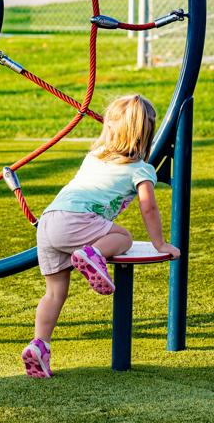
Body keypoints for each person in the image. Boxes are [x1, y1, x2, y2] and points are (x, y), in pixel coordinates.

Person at [21, 93, 179, 378]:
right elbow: (149, 208)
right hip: (76, 222)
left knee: (55, 293)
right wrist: (160, 242)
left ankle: (39, 346)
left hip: (49, 222)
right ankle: (91, 254)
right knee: (124, 237)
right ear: (147, 134)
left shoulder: (94, 156)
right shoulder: (140, 170)